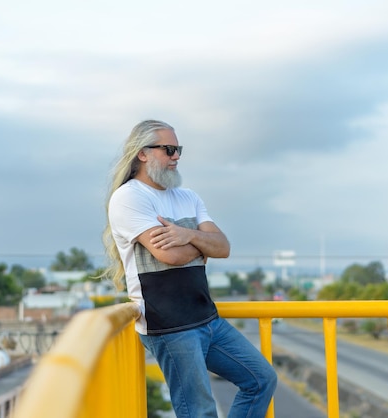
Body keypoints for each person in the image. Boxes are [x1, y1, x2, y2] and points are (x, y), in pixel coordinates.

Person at [103, 120, 277, 418]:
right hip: (169, 327)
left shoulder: (188, 197)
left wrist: (188, 236)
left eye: (178, 150)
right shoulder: (129, 198)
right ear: (142, 154)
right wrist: (202, 245)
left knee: (261, 380)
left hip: (207, 319)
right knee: (200, 412)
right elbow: (168, 256)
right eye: (169, 149)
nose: (176, 157)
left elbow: (223, 247)